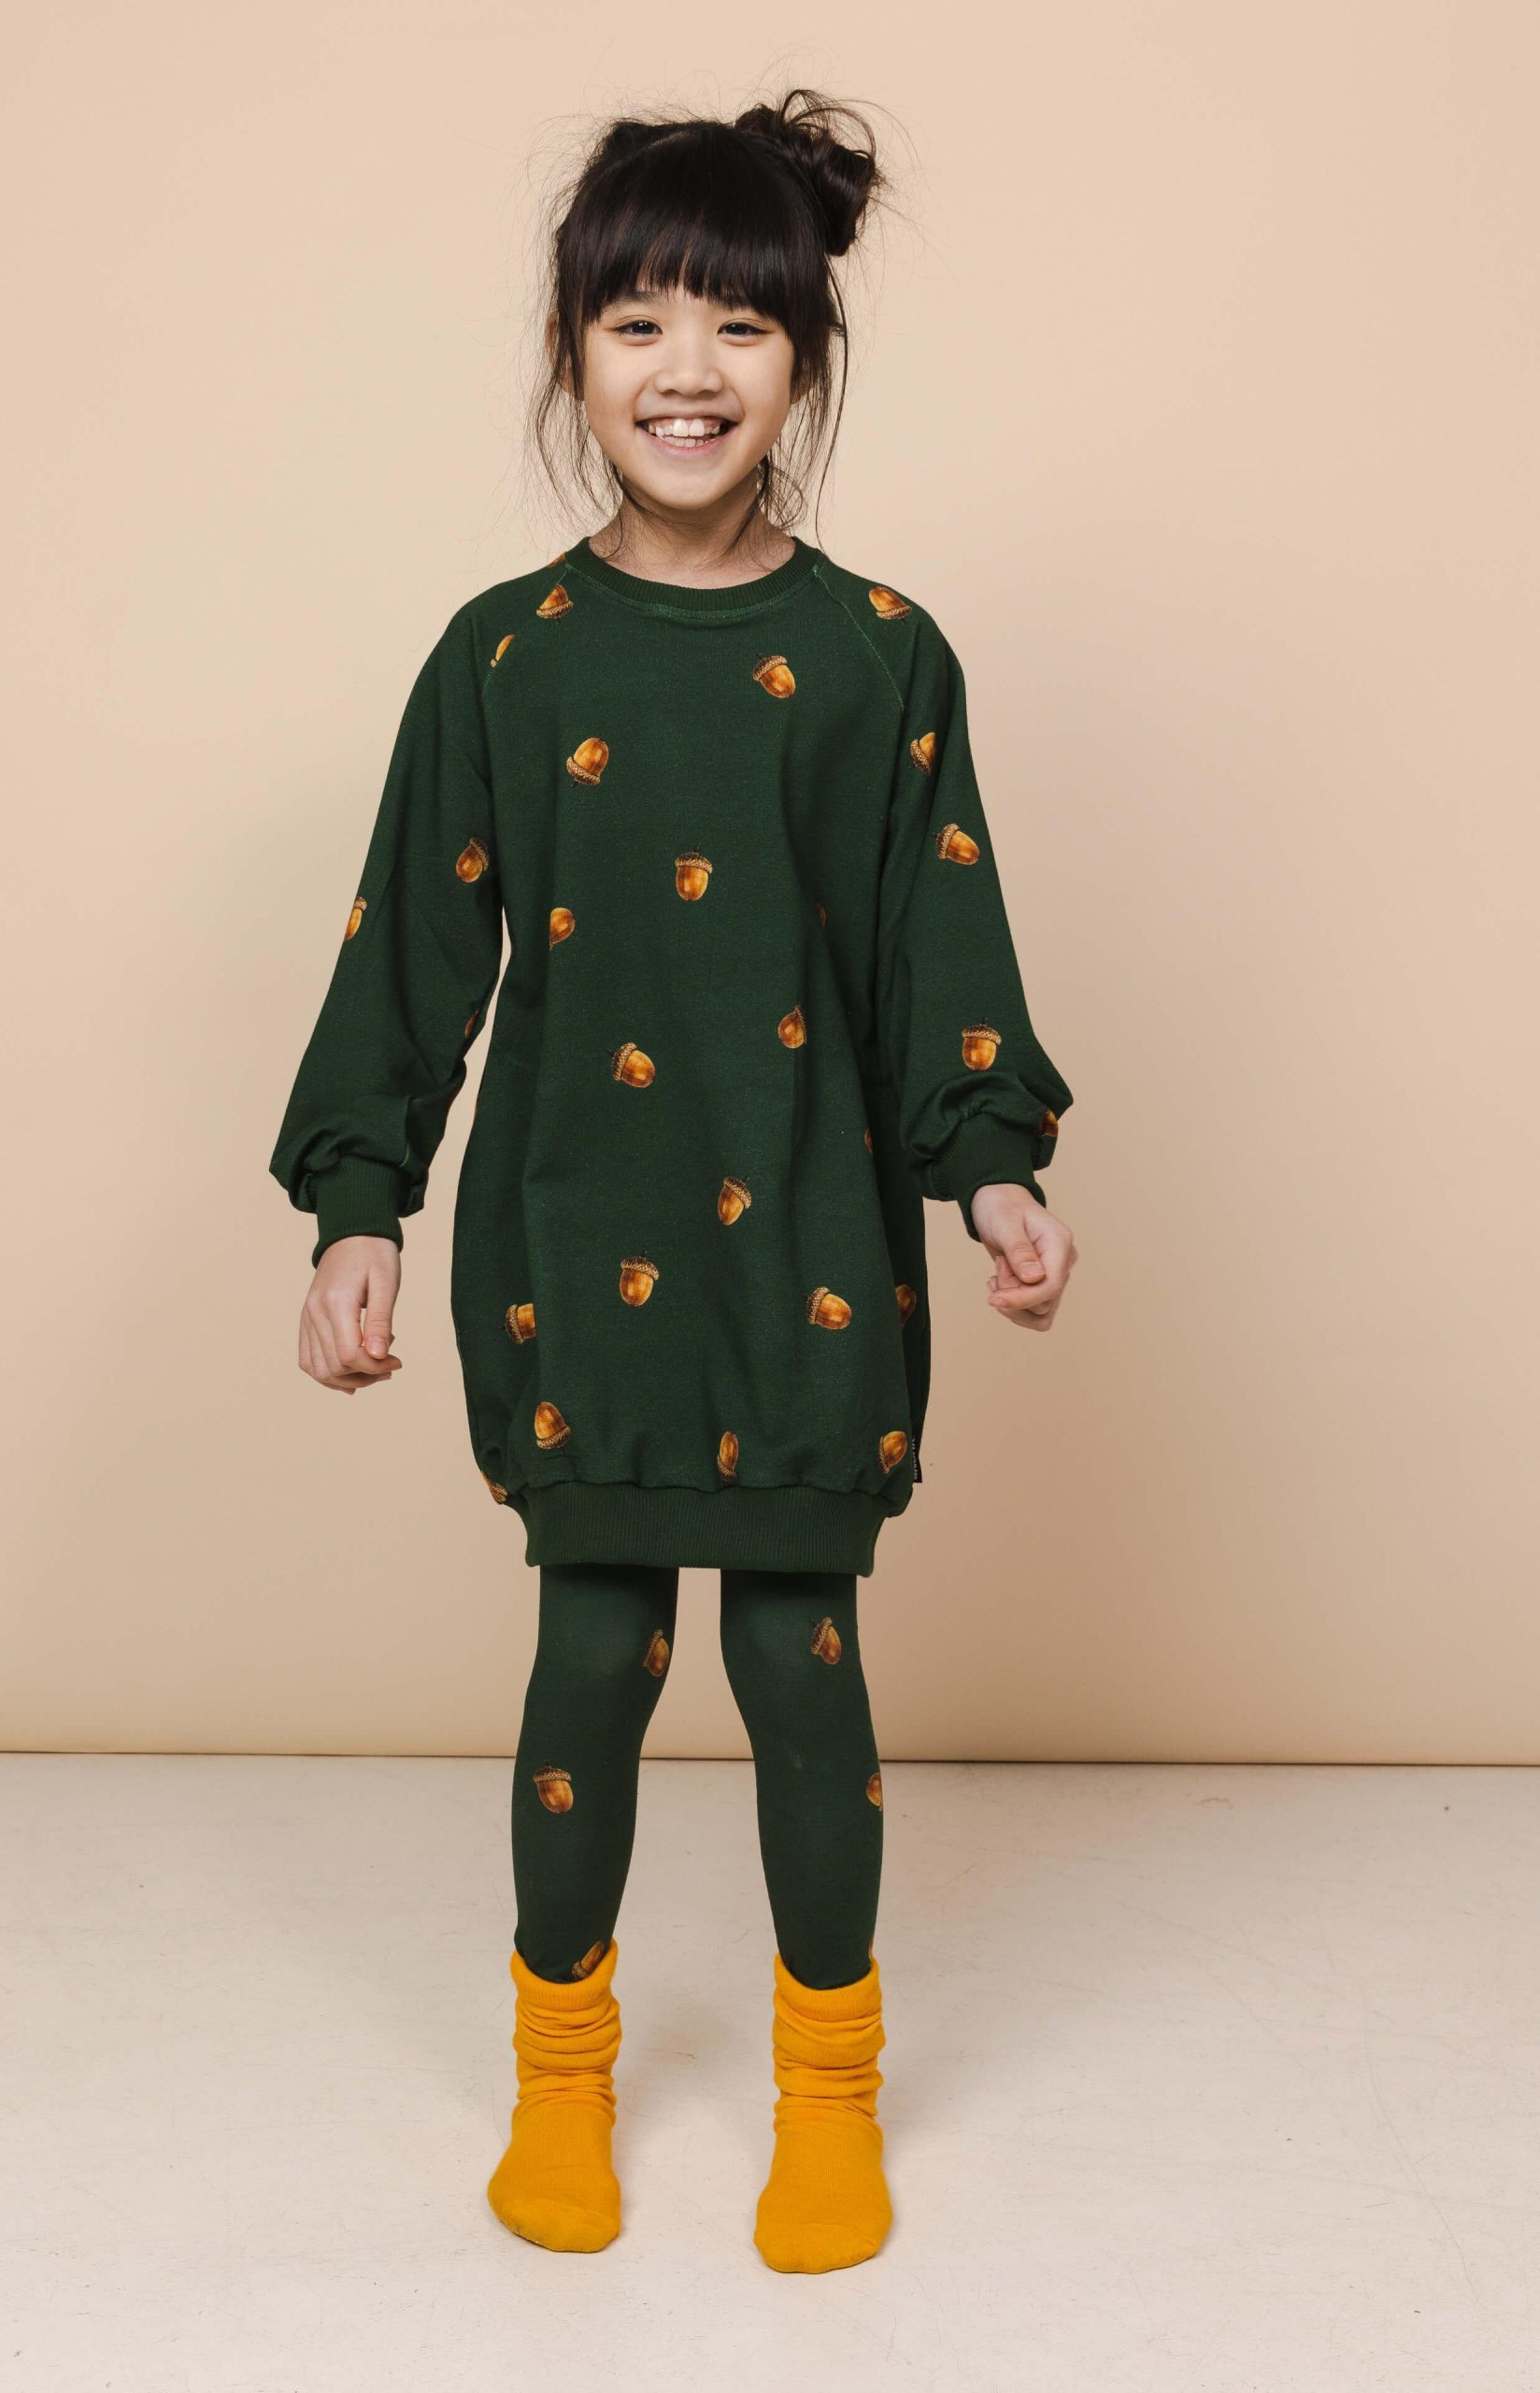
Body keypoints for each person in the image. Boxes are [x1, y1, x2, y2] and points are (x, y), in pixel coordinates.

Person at [267, 87, 1077, 2273]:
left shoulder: (882, 654)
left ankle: (832, 2091)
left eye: (740, 323)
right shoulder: (506, 657)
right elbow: (409, 951)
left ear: (806, 359)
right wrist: (361, 1208)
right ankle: (562, 2076)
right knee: (595, 1648)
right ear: (572, 354)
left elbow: (941, 947)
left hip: (811, 1232)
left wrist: (992, 1171)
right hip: (579, 1226)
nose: (688, 368)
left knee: (801, 1657)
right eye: (637, 321)